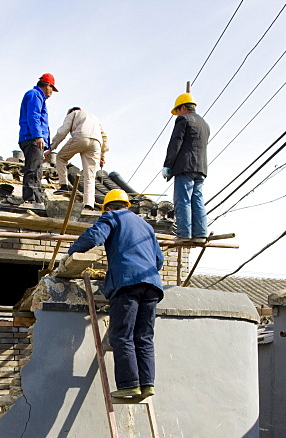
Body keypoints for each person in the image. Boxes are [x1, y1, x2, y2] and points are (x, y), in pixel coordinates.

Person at [66, 189, 164, 400]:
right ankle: (147, 385)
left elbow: (95, 236)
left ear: (109, 207)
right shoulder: (146, 226)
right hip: (153, 285)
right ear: (126, 205)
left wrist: (71, 252)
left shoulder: (112, 217)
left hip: (127, 283)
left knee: (122, 335)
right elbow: (159, 260)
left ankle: (129, 385)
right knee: (144, 337)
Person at [162, 92, 210, 242]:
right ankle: (201, 234)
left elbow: (175, 143)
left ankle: (184, 234)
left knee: (183, 200)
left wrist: (167, 165)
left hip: (185, 167)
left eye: (177, 111)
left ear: (183, 107)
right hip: (201, 168)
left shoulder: (183, 119)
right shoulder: (204, 124)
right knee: (197, 199)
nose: (177, 115)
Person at [48, 107, 109, 211]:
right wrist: (102, 157)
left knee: (60, 157)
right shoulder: (94, 118)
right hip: (96, 143)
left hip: (81, 137)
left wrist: (51, 147)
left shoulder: (73, 114)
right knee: (90, 175)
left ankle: (64, 185)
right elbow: (104, 137)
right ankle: (89, 204)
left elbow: (63, 131)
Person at [18, 73, 58, 205]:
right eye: (52, 88)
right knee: (33, 169)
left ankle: (37, 198)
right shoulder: (35, 95)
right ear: (47, 85)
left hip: (33, 138)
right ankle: (30, 199)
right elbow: (33, 116)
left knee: (37, 170)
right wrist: (38, 136)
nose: (52, 92)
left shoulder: (38, 97)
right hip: (32, 138)